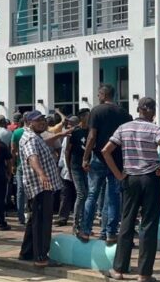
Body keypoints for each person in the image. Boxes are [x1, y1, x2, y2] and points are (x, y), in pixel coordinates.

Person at [101, 98, 160, 282]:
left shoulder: (124, 128)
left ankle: (119, 270)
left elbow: (105, 151)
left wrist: (118, 174)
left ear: (138, 109)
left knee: (126, 223)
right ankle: (144, 273)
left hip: (130, 179)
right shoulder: (155, 129)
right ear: (153, 112)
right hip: (151, 179)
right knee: (148, 226)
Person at [80, 84, 132, 244]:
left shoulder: (97, 110)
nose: (97, 97)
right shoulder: (125, 114)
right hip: (117, 160)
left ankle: (85, 231)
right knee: (114, 197)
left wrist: (85, 157)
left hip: (99, 158)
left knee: (92, 194)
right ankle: (111, 232)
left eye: (98, 94)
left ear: (103, 95)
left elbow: (92, 136)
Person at [18, 111, 64, 268]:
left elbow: (47, 141)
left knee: (35, 220)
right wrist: (42, 175)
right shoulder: (31, 138)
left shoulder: (35, 136)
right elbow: (32, 157)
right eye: (39, 120)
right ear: (30, 123)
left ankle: (27, 252)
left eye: (43, 119)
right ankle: (41, 257)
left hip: (41, 186)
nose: (43, 122)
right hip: (40, 187)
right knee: (43, 222)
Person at [65, 109, 91, 238]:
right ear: (82, 117)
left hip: (89, 166)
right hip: (76, 166)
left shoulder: (92, 130)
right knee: (81, 194)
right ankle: (76, 224)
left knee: (88, 195)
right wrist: (68, 167)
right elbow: (67, 151)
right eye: (87, 116)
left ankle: (85, 223)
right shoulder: (75, 132)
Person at [55, 116, 79, 227]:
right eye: (67, 124)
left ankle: (77, 218)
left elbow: (67, 152)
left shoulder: (76, 135)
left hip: (72, 168)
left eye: (70, 124)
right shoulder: (64, 135)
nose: (68, 126)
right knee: (65, 194)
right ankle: (62, 218)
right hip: (64, 167)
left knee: (77, 194)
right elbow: (63, 152)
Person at [10, 114, 27, 224]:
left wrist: (13, 164)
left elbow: (12, 150)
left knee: (20, 191)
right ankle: (24, 215)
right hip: (24, 165)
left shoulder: (16, 133)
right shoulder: (18, 133)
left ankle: (21, 216)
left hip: (21, 165)